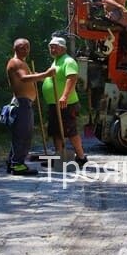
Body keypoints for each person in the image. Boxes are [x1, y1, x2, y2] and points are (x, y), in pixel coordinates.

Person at [6, 38, 55, 175]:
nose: (25, 50)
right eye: (22, 47)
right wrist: (45, 75)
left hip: (25, 103)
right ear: (15, 48)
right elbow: (23, 78)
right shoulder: (15, 62)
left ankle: (12, 162)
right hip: (21, 103)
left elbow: (28, 76)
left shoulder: (22, 63)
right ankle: (18, 165)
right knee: (23, 135)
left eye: (27, 47)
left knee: (21, 134)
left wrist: (36, 74)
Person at [42, 36, 88, 167]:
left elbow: (72, 78)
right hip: (54, 104)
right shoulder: (56, 61)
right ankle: (59, 158)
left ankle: (81, 157)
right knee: (56, 131)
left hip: (66, 103)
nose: (52, 49)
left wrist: (64, 96)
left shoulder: (68, 61)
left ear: (62, 48)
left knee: (70, 131)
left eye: (54, 47)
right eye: (50, 47)